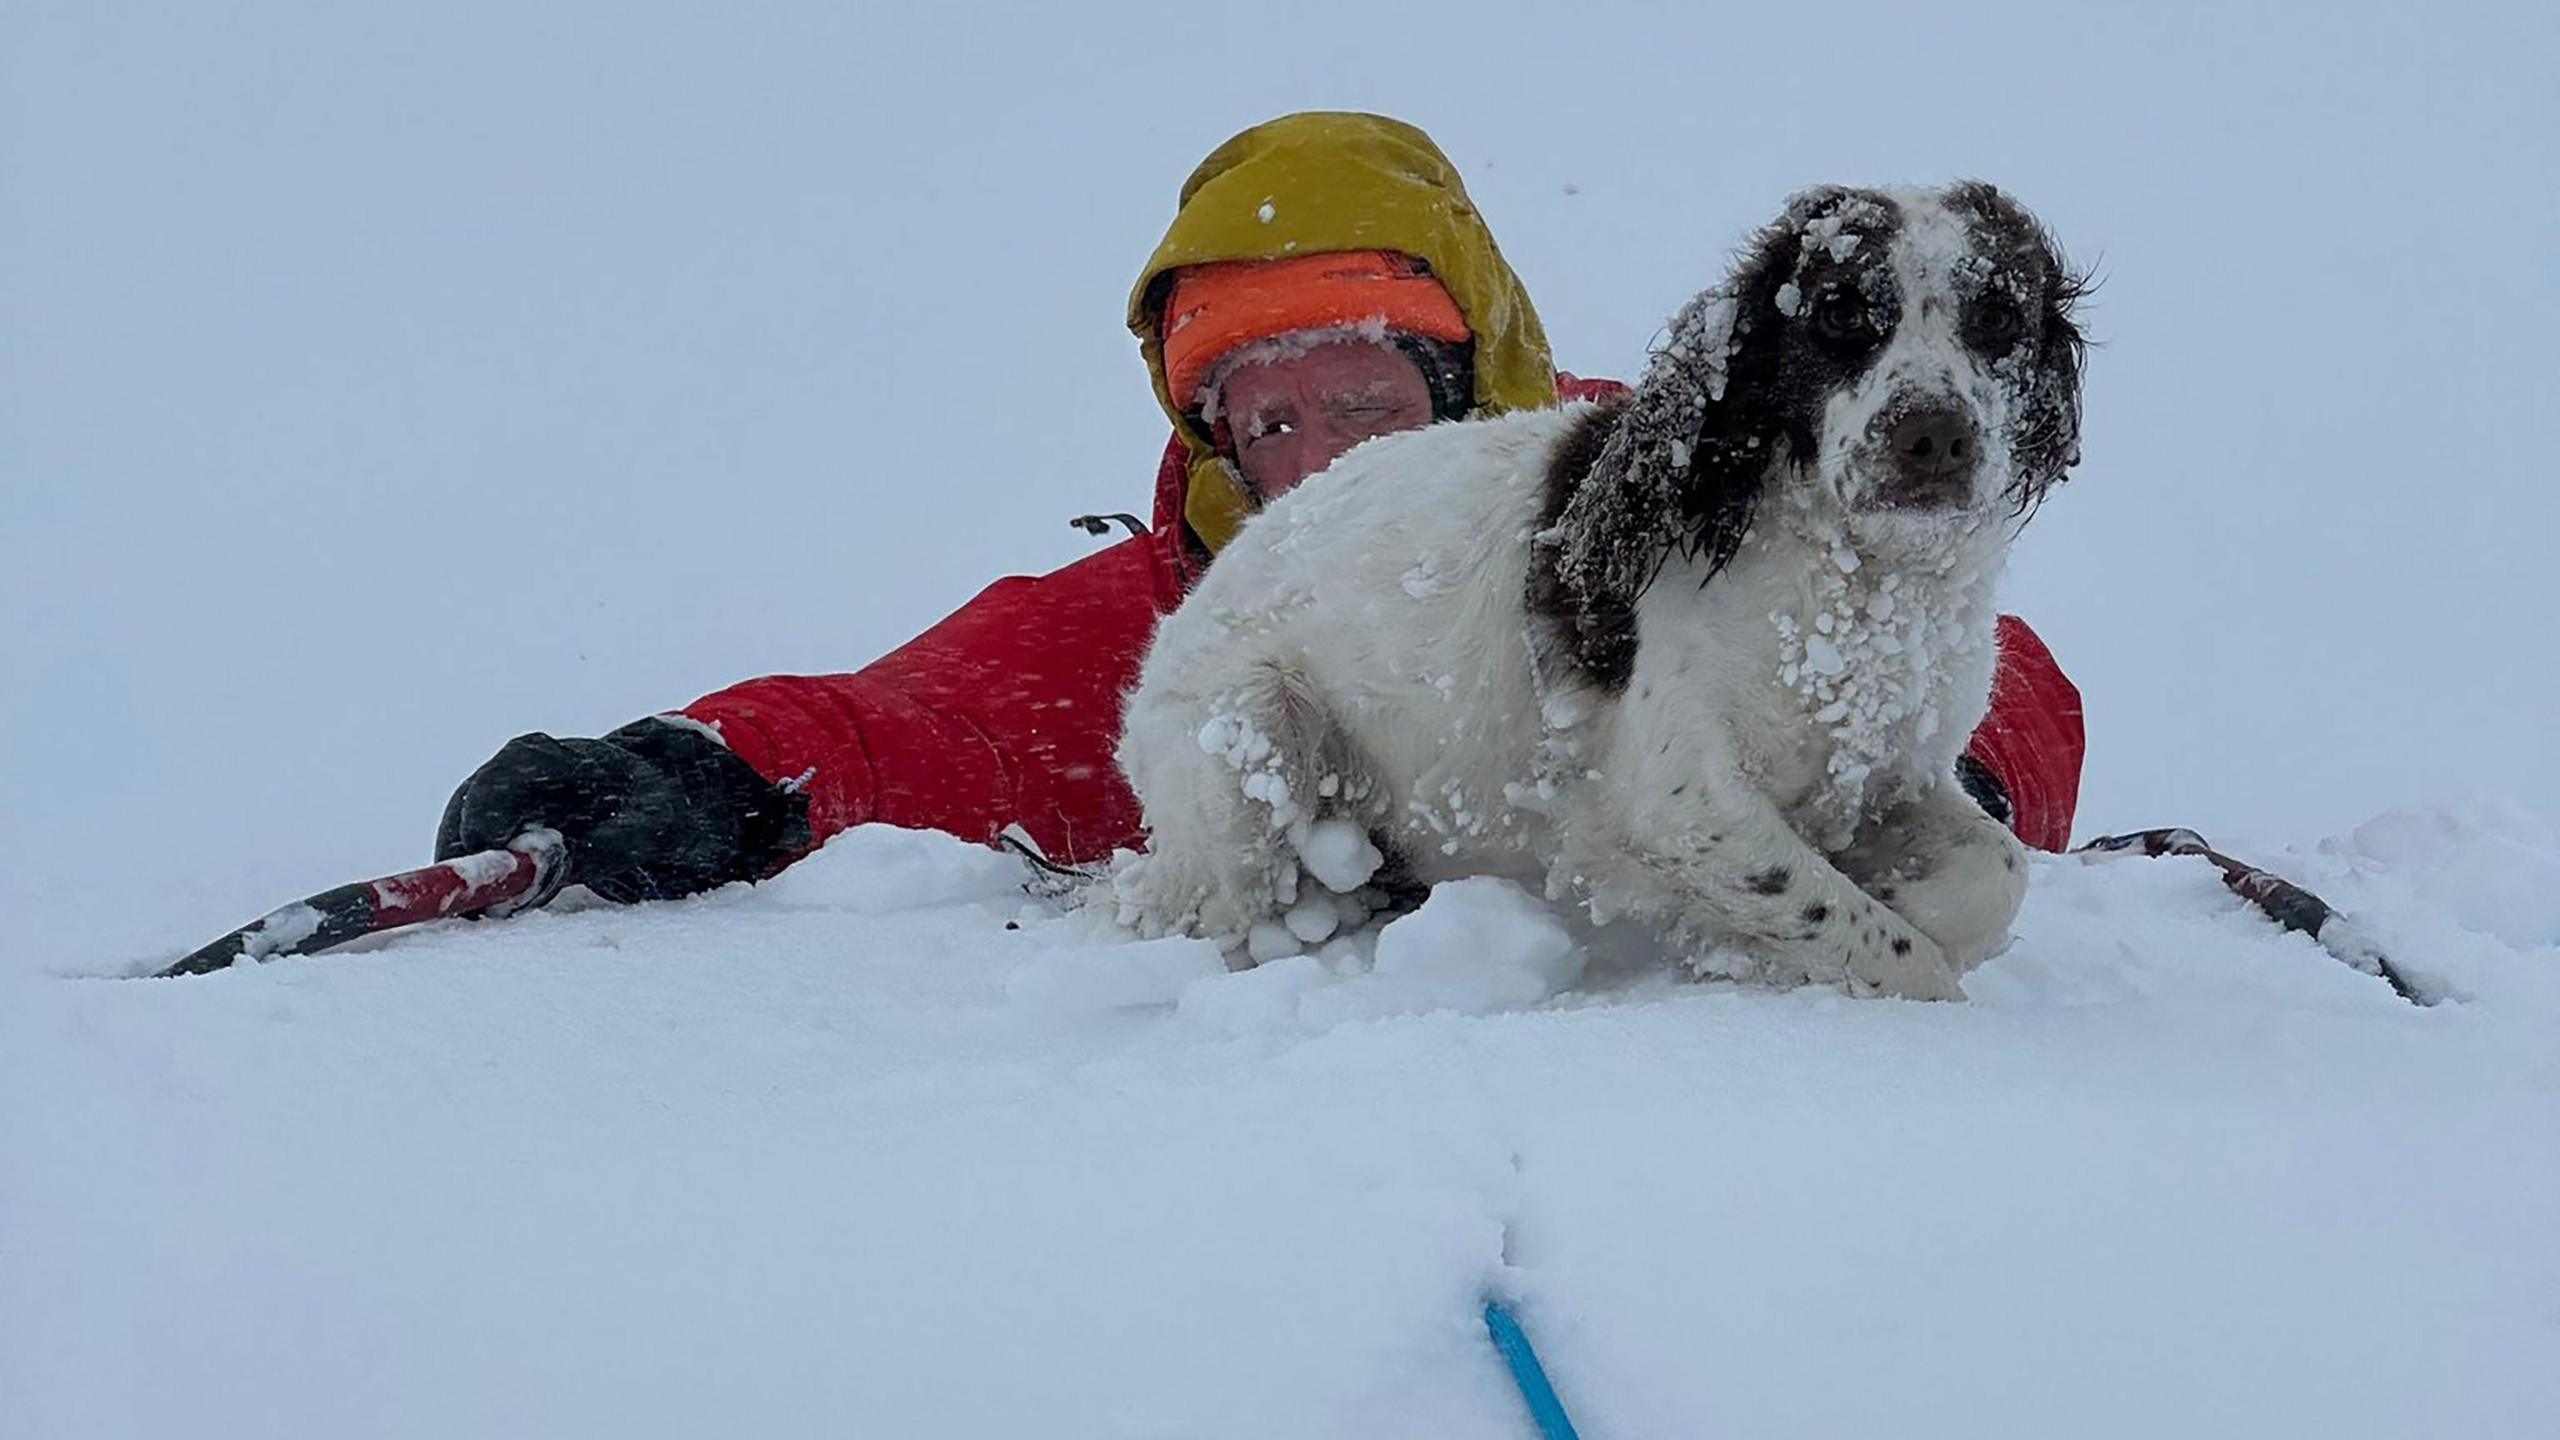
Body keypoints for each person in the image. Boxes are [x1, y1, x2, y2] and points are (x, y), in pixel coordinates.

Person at [438, 112, 2085, 914]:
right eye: (1263, 413)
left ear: (1465, 373)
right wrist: (695, 773)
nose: (1313, 453)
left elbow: (1986, 661)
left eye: (1365, 397)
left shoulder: (1659, 493)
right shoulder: (1190, 606)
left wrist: (1901, 790)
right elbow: (906, 724)